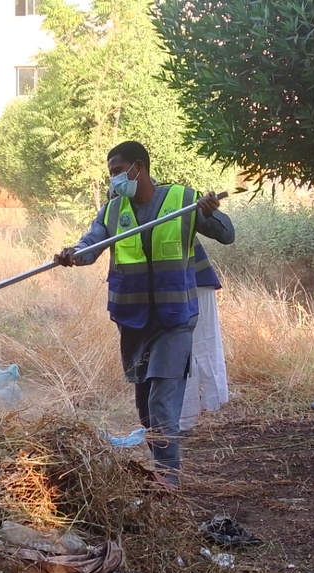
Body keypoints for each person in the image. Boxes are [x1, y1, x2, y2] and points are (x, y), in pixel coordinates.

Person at [56, 141, 235, 488]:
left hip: (174, 319)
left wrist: (210, 211)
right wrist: (73, 255)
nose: (114, 181)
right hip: (133, 321)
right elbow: (89, 247)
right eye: (111, 174)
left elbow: (227, 235)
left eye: (117, 172)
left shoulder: (182, 201)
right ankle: (160, 470)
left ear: (138, 167)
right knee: (145, 406)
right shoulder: (112, 211)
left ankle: (170, 479)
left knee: (161, 400)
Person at [179, 239, 229, 431]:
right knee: (180, 351)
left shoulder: (177, 208)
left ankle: (186, 419)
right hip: (167, 287)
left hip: (193, 280)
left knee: (200, 346)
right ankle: (183, 419)